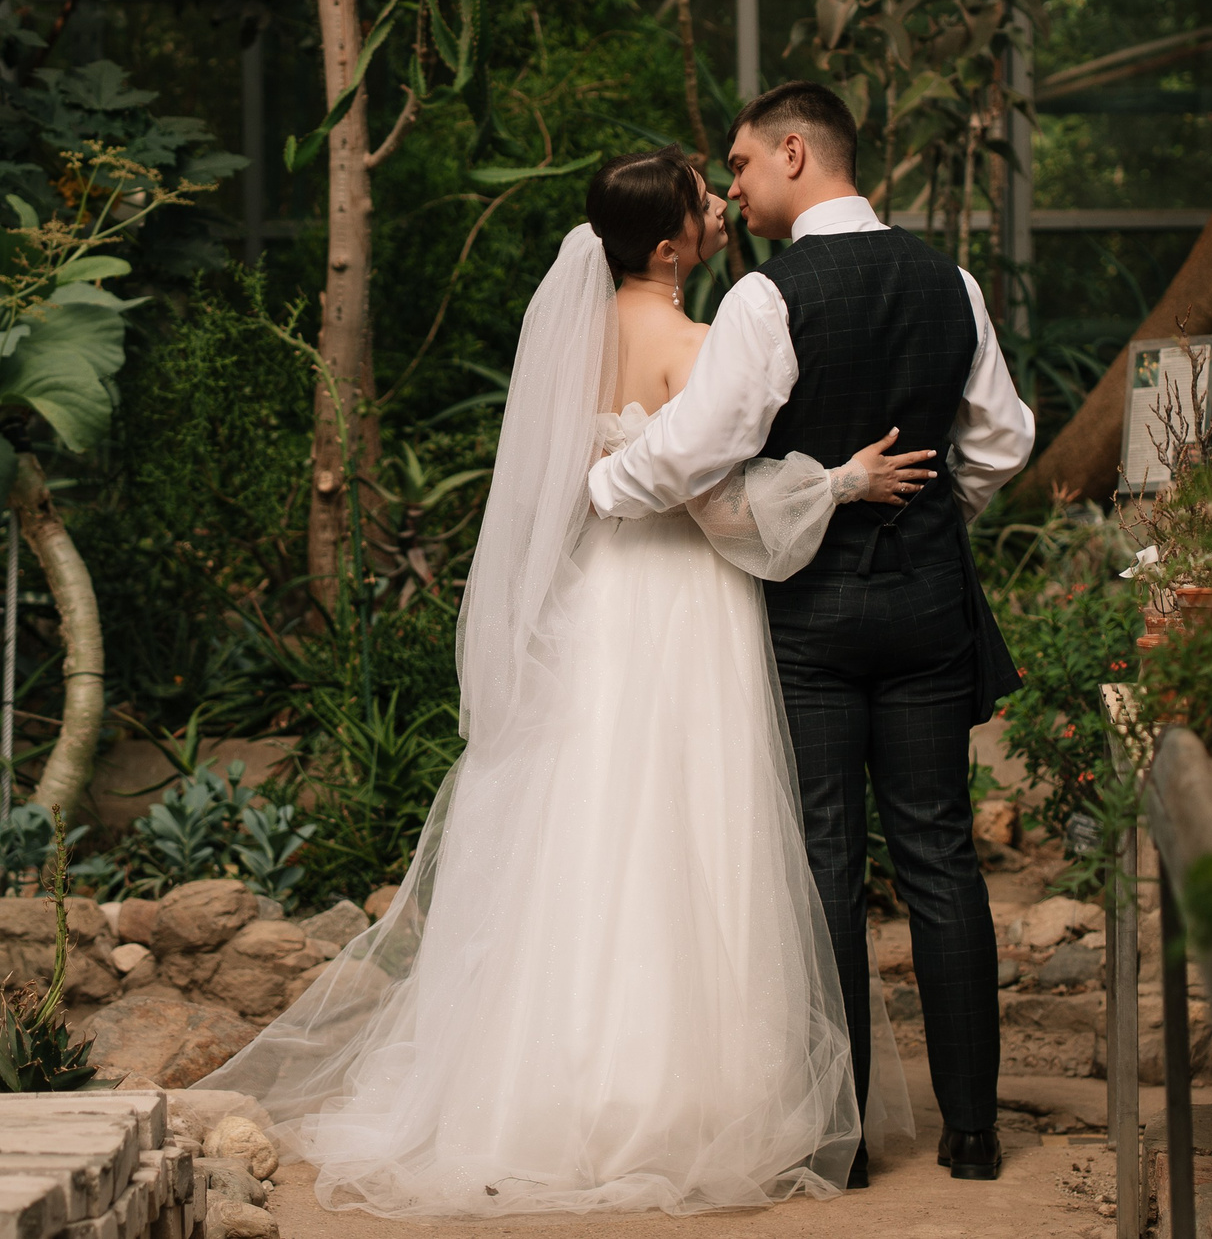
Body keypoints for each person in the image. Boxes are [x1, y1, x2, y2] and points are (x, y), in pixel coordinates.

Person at [193, 146, 932, 1218]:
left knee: (589, 826)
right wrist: (842, 481)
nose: (723, 205)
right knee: (687, 822)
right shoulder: (696, 340)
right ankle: (672, 1092)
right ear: (672, 245)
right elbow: (717, 508)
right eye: (703, 200)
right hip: (682, 605)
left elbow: (588, 487)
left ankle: (547, 1082)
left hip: (600, 604)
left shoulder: (579, 344)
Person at [588, 81, 1036, 1183]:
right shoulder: (955, 282)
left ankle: (840, 1140)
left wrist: (602, 483)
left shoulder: (764, 300)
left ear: (795, 153)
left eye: (739, 165)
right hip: (930, 608)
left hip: (813, 618)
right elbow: (1003, 440)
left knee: (825, 865)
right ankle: (972, 1133)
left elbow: (698, 449)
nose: (731, 189)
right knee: (941, 856)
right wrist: (935, 515)